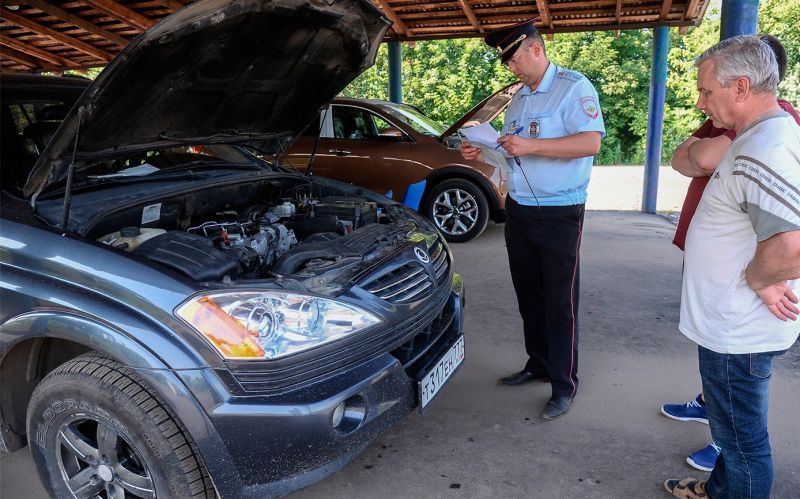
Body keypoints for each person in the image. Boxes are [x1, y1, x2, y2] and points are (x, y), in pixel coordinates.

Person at [663, 34, 800, 498]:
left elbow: (791, 243)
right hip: (732, 325)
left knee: (743, 445)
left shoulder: (764, 148)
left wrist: (761, 279)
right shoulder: (760, 137)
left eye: (706, 91)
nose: (701, 102)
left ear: (740, 87)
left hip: (738, 328)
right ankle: (719, 491)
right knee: (732, 433)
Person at [460, 19, 605, 420]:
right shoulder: (520, 99)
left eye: (515, 59)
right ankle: (538, 364)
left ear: (536, 49)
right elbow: (514, 154)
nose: (511, 68)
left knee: (561, 303)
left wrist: (532, 144)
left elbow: (590, 142)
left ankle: (563, 385)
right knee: (530, 296)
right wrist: (484, 152)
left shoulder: (573, 88)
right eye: (507, 63)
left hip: (560, 212)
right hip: (521, 209)